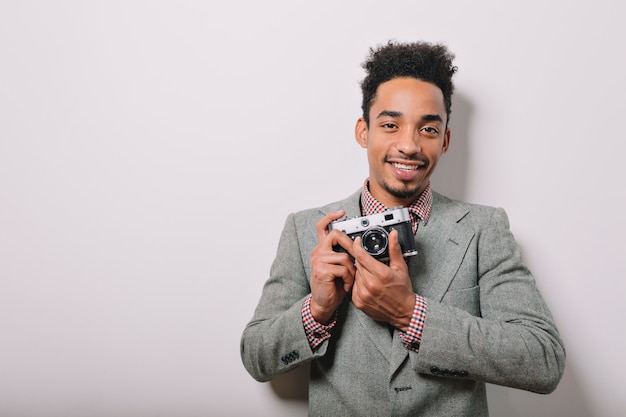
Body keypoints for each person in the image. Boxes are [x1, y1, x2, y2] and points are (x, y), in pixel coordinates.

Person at [240, 40, 565, 416]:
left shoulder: (483, 229)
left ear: (445, 141)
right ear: (364, 132)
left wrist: (411, 314)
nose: (409, 145)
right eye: (391, 124)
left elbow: (543, 361)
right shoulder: (307, 230)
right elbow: (256, 357)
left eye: (428, 129)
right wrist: (316, 310)